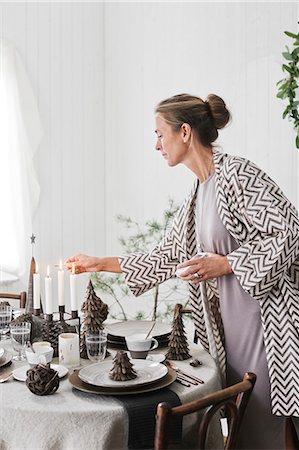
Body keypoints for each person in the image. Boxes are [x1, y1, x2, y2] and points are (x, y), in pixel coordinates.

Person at [66, 93, 299, 449]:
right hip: (228, 333)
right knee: (241, 431)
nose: (156, 144)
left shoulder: (238, 173)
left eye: (160, 134)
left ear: (185, 132)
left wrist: (227, 263)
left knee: (267, 430)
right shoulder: (198, 193)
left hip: (266, 328)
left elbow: (288, 230)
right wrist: (101, 263)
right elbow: (169, 255)